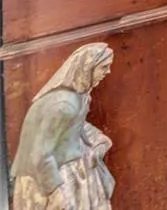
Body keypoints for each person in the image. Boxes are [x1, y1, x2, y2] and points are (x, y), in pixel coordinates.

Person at [10, 43, 115, 210]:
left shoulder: (78, 97)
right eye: (103, 67)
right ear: (87, 68)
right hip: (52, 174)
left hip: (69, 166)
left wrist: (99, 140)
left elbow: (75, 125)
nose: (107, 72)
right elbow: (39, 154)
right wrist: (55, 190)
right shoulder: (62, 105)